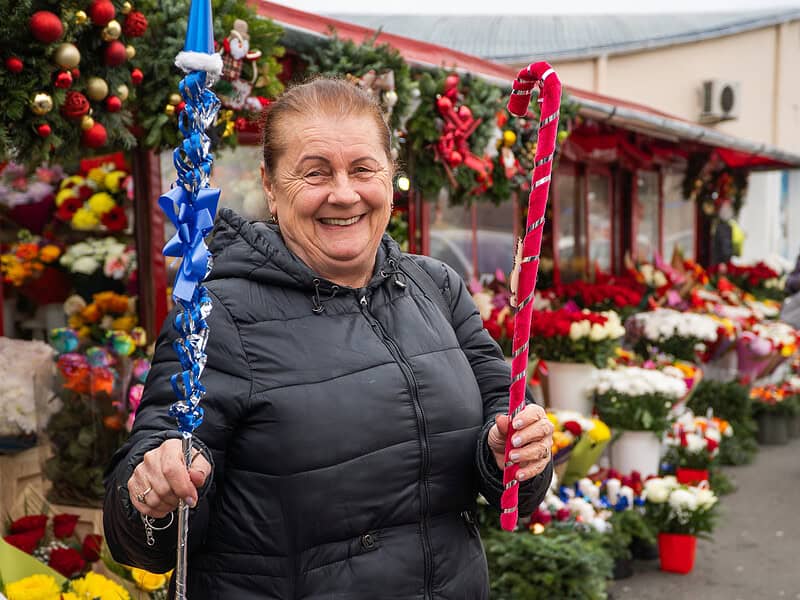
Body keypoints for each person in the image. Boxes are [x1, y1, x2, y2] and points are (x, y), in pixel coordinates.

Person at [104, 77, 554, 599]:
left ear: (390, 176)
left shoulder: (436, 286)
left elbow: (506, 418)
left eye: (363, 169)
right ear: (271, 187)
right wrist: (149, 493)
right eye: (315, 173)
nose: (344, 193)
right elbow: (147, 530)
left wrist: (511, 450)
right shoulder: (216, 315)